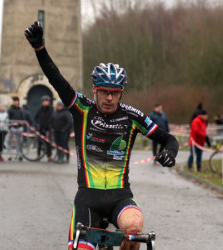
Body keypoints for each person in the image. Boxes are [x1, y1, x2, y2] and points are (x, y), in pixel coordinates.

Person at [24, 21, 179, 250]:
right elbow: (56, 79)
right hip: (88, 199)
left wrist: (171, 152)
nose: (109, 98)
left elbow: (169, 139)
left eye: (114, 93)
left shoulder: (132, 116)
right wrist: (40, 49)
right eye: (104, 92)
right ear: (95, 90)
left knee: (134, 229)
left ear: (121, 93)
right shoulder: (82, 109)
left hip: (120, 197)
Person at [35, 95, 54, 162]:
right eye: (44, 101)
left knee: (48, 143)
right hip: (40, 128)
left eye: (46, 101)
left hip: (48, 129)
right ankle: (38, 155)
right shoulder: (40, 109)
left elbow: (53, 118)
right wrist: (38, 124)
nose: (45, 103)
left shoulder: (51, 109)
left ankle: (49, 156)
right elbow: (36, 117)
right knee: (39, 143)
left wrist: (51, 126)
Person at [7, 97, 25, 161]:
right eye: (15, 101)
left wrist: (22, 125)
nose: (16, 102)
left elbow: (22, 118)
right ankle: (9, 154)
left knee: (19, 142)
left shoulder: (20, 110)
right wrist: (9, 126)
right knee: (10, 141)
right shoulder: (10, 109)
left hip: (19, 127)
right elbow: (9, 118)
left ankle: (19, 154)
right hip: (12, 128)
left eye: (17, 101)